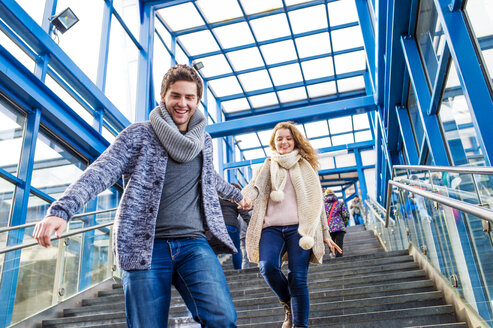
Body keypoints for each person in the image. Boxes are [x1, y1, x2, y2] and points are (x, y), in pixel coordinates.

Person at [33, 64, 252, 328]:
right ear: (163, 97)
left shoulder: (203, 140)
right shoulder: (139, 134)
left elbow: (209, 176)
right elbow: (101, 170)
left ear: (197, 101)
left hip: (193, 244)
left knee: (222, 318)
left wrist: (237, 195)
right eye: (175, 95)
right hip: (144, 247)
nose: (182, 103)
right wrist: (62, 210)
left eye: (189, 97)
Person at [241, 121, 341, 328]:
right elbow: (255, 187)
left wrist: (325, 233)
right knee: (267, 266)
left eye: (288, 138)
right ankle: (287, 302)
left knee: (298, 278)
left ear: (295, 141)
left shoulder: (306, 167)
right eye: (279, 139)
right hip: (272, 228)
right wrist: (241, 198)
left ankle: (299, 325)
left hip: (300, 230)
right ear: (274, 143)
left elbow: (317, 203)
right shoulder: (267, 166)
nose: (284, 142)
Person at [219, 182, 251, 270]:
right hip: (232, 226)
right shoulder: (236, 198)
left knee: (214, 249)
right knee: (236, 250)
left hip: (219, 226)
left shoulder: (219, 196)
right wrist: (253, 226)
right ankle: (238, 271)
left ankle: (216, 271)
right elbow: (245, 214)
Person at [323, 189, 350, 257]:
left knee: (330, 242)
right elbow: (345, 215)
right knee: (339, 243)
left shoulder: (322, 205)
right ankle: (339, 258)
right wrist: (344, 224)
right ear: (333, 194)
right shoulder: (340, 203)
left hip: (328, 227)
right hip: (340, 227)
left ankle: (332, 254)